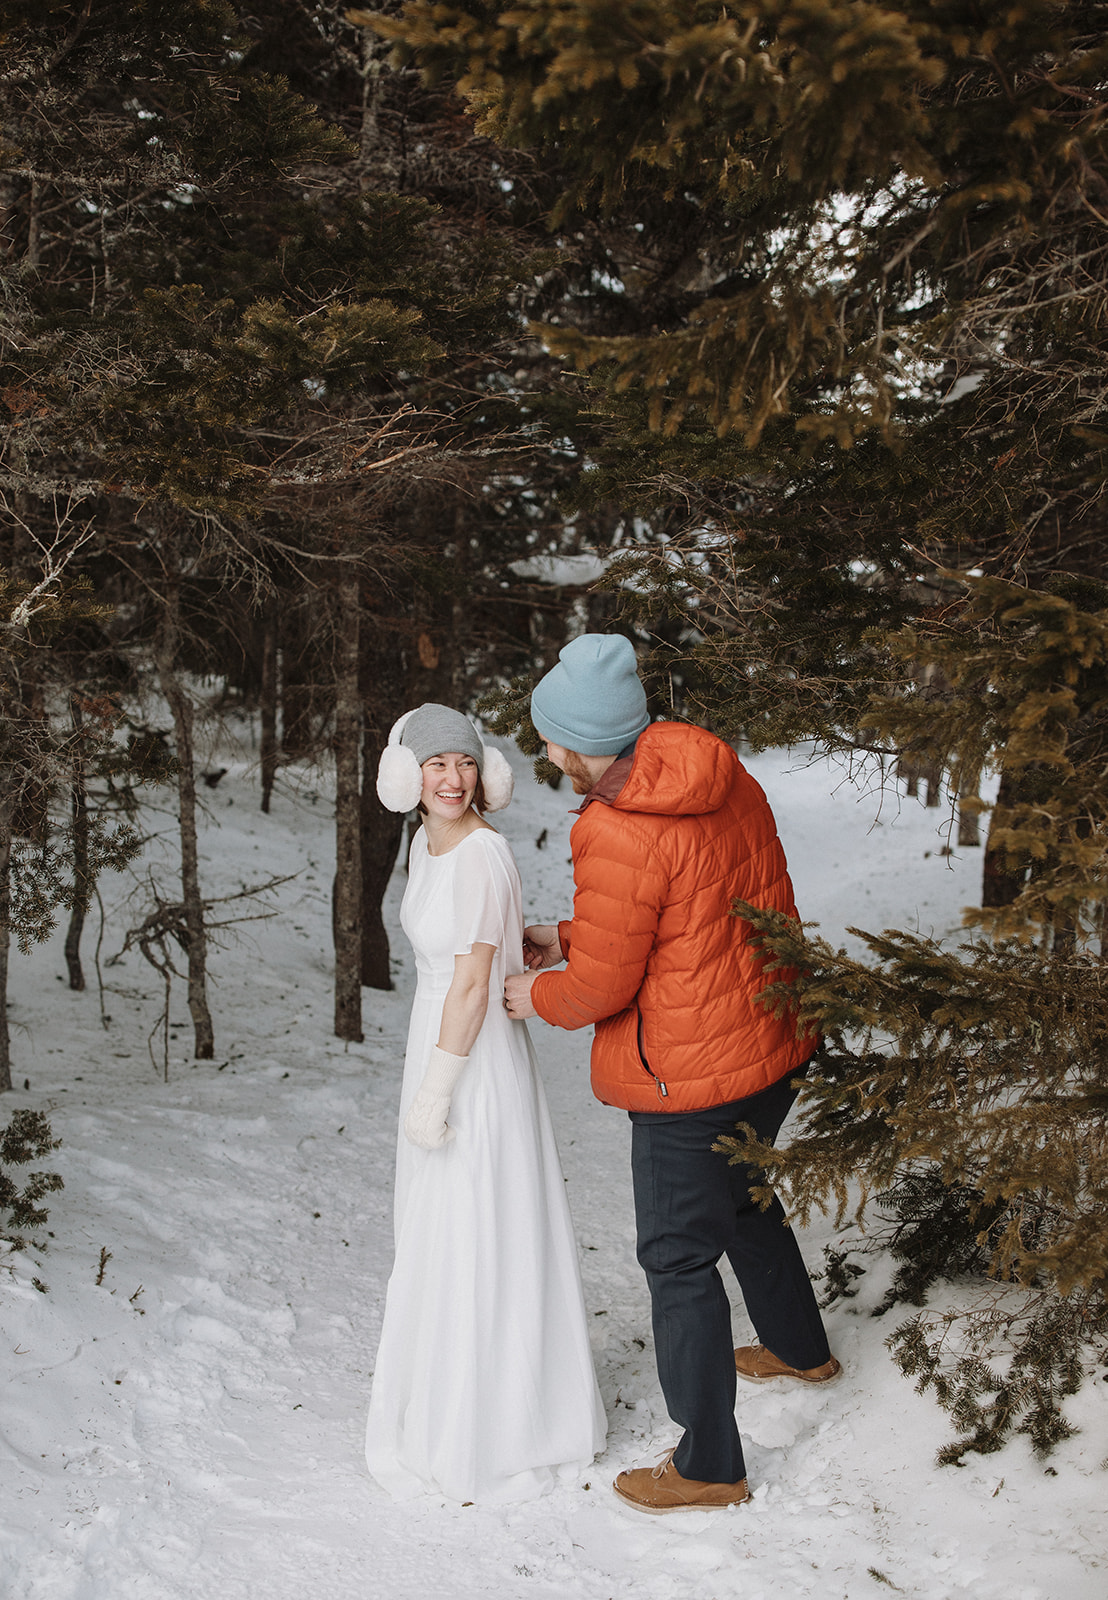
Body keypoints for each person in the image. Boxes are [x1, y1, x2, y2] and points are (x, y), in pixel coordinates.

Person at [503, 634, 838, 1515]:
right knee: (746, 1200)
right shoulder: (719, 777)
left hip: (690, 1078)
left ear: (583, 741)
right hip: (771, 1043)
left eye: (551, 738)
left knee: (678, 1258)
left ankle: (708, 1465)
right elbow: (694, 918)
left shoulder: (617, 828)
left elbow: (601, 989)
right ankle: (802, 1349)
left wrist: (531, 993)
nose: (545, 753)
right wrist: (569, 934)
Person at [365, 703, 606, 1504]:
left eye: (465, 764)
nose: (451, 777)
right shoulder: (427, 849)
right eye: (436, 764)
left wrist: (437, 1091)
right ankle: (447, 1405)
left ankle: (498, 1426)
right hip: (435, 1041)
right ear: (409, 776)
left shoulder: (481, 855)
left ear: (485, 776)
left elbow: (472, 984)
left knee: (475, 1223)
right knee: (440, 1226)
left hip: (469, 1058)